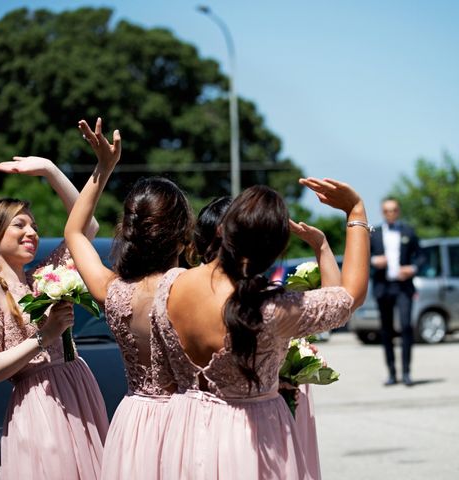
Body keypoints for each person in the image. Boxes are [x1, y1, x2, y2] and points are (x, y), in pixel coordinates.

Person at [151, 177, 369, 479]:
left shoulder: (170, 285)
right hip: (250, 440)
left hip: (182, 431)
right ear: (275, 252)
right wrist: (356, 212)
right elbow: (350, 296)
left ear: (222, 230)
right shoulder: (273, 309)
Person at [64, 118, 195, 480]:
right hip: (185, 422)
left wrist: (103, 168)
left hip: (132, 423)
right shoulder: (191, 287)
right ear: (182, 235)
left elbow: (74, 230)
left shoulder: (112, 290)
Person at [0, 156, 109, 480]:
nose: (32, 232)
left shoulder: (43, 276)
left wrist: (49, 170)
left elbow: (88, 226)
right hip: (41, 404)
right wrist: (47, 335)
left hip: (79, 390)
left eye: (34, 227)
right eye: (20, 225)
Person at [193, 194, 341, 479]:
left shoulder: (180, 292)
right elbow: (340, 300)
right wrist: (324, 244)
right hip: (258, 422)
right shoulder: (270, 305)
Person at [370, 196, 424, 387]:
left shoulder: (408, 231)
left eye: (393, 210)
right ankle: (392, 373)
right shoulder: (374, 233)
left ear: (398, 211)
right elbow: (363, 257)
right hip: (383, 286)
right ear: (382, 212)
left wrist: (413, 268)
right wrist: (373, 261)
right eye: (386, 210)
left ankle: (407, 372)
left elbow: (421, 256)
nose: (390, 213)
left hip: (403, 287)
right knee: (386, 330)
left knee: (406, 326)